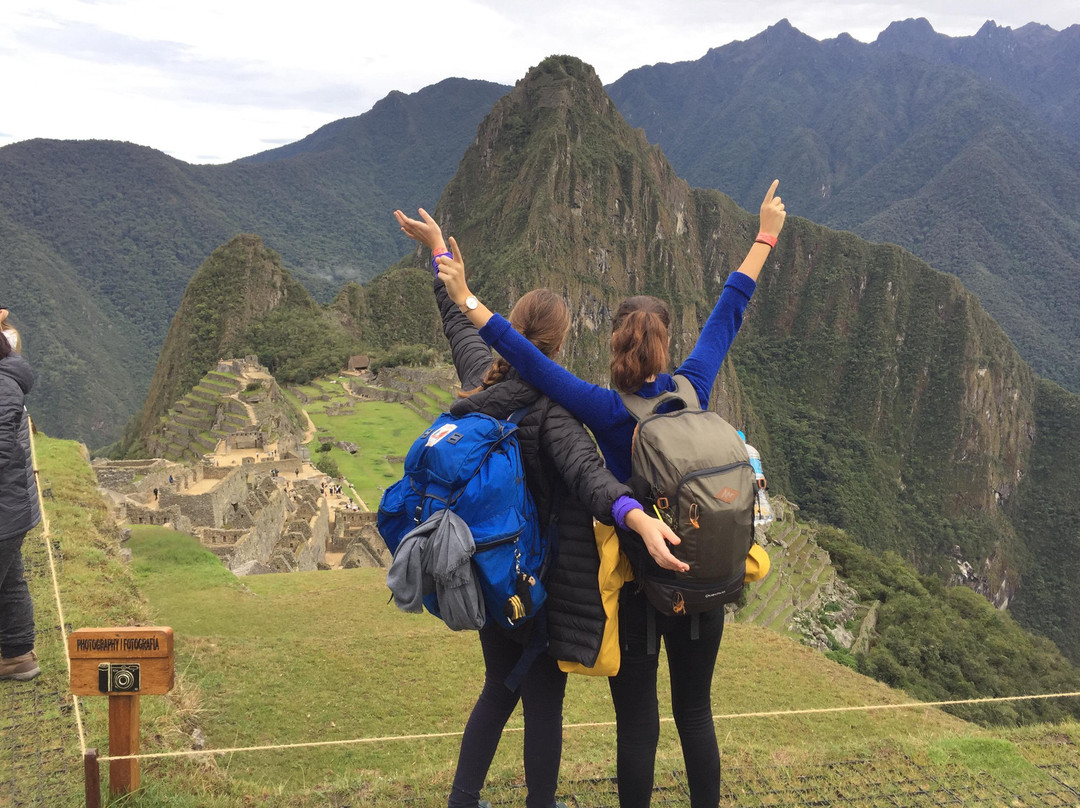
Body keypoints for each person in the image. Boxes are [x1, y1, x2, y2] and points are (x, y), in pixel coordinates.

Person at [397, 180, 786, 808]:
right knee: (696, 711)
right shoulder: (695, 386)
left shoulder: (599, 408)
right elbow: (731, 308)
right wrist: (766, 232)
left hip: (636, 587)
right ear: (664, 341)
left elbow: (517, 353)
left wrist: (460, 287)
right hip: (703, 580)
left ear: (613, 344)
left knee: (637, 725)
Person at [393, 209, 680, 808]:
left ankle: (462, 800)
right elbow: (591, 479)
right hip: (532, 582)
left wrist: (440, 251)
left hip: (481, 568)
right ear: (559, 343)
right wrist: (638, 516)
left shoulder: (481, 382)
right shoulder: (555, 412)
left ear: (512, 332)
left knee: (497, 692)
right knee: (542, 707)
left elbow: (458, 321)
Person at [0, 331, 42, 681]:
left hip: (5, 507)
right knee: (11, 581)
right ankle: (17, 657)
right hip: (11, 506)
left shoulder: (1, 386)